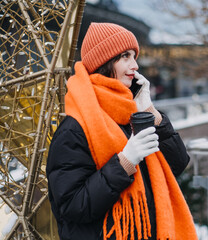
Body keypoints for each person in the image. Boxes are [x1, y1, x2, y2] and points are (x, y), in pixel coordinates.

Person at [46, 22, 198, 240]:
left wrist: (150, 110)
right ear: (105, 62)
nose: (135, 65)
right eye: (125, 56)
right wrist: (125, 162)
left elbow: (178, 163)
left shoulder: (131, 114)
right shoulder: (74, 128)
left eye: (134, 56)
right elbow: (72, 206)